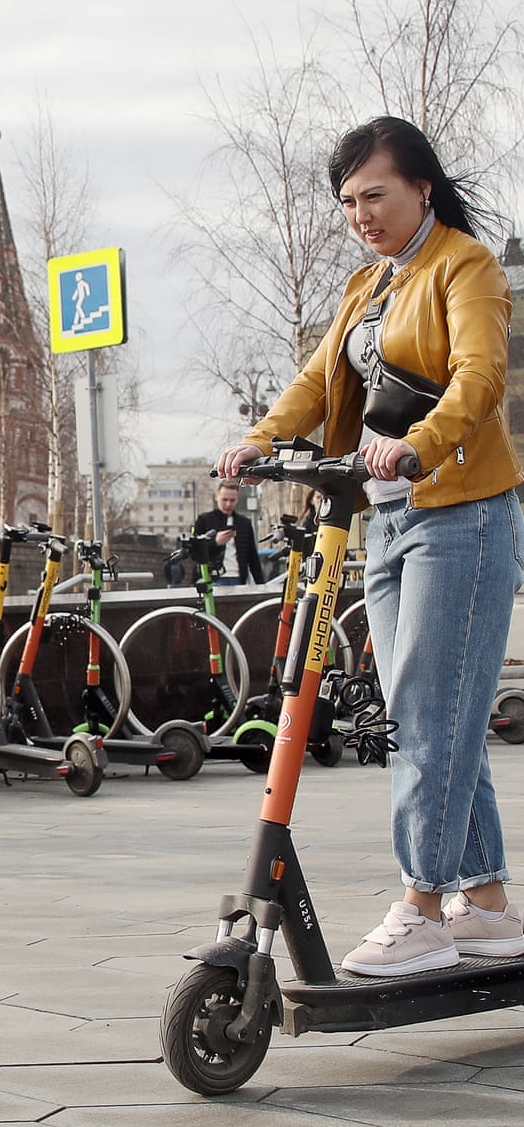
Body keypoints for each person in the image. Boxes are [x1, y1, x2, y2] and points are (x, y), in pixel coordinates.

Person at [216, 116, 524, 976]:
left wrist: (421, 440)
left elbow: (480, 376)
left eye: (374, 195)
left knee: (432, 716)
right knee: (435, 714)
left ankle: (424, 907)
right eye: (348, 200)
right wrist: (260, 438)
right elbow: (320, 381)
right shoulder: (370, 286)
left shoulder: (466, 267)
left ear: (421, 187)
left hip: (460, 513)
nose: (360, 213)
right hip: (386, 521)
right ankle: (489, 904)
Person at [193, 480, 264, 585]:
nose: (228, 504)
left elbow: (252, 556)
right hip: (212, 578)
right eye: (224, 499)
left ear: (237, 500)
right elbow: (195, 553)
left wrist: (261, 584)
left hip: (238, 577)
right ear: (216, 497)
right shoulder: (204, 520)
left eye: (232, 500)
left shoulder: (244, 523)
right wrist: (216, 542)